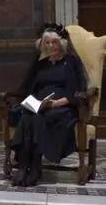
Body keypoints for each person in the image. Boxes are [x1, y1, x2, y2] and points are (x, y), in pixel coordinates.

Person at [9, 24, 86, 187]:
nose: (51, 46)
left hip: (64, 107)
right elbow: (27, 87)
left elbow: (77, 91)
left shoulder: (72, 62)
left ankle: (35, 166)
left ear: (62, 44)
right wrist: (34, 102)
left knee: (39, 118)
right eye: (47, 43)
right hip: (40, 105)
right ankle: (23, 166)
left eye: (54, 42)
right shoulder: (40, 64)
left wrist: (55, 103)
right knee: (27, 117)